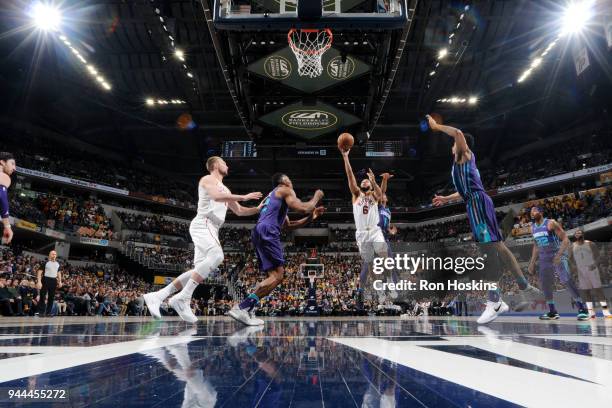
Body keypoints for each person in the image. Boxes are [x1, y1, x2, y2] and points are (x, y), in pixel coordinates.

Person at [426, 115, 540, 324]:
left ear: (461, 145)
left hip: (477, 204)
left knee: (488, 251)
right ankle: (523, 285)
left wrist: (436, 126)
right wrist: (446, 198)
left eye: (454, 144)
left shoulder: (463, 154)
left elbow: (458, 133)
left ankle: (495, 301)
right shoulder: (462, 165)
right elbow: (465, 191)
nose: (453, 146)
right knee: (498, 248)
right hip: (476, 202)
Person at [143, 156, 262, 323]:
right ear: (215, 165)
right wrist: (243, 196)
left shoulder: (226, 189)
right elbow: (215, 197)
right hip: (204, 222)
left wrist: (257, 209)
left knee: (199, 271)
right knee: (217, 256)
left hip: (212, 228)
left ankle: (158, 295)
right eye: (224, 162)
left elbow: (241, 211)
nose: (227, 165)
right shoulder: (208, 179)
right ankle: (183, 298)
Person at [229, 173, 324, 326]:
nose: (291, 182)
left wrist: (311, 217)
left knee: (274, 276)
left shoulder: (273, 197)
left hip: (259, 231)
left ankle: (246, 308)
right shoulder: (284, 189)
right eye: (289, 179)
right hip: (268, 231)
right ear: (284, 181)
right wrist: (317, 196)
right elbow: (303, 207)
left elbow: (289, 226)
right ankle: (242, 307)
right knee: (278, 276)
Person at [528, 206, 589, 320]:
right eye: (530, 212)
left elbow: (566, 239)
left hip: (556, 254)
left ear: (541, 212)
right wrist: (532, 262)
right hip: (544, 258)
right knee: (545, 284)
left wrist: (559, 255)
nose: (531, 213)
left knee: (565, 279)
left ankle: (582, 309)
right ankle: (552, 311)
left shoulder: (551, 223)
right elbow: (536, 245)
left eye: (534, 211)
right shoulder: (532, 228)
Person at [340, 148, 388, 291]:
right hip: (361, 233)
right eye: (364, 180)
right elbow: (350, 176)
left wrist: (374, 180)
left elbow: (380, 194)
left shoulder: (373, 195)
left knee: (384, 254)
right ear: (361, 186)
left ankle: (387, 278)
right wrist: (345, 157)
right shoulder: (356, 195)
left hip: (374, 230)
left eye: (367, 180)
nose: (366, 181)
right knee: (369, 262)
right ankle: (377, 285)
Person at [569, 229, 610, 319]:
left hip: (591, 268)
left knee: (598, 290)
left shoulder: (590, 243)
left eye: (579, 232)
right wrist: (574, 267)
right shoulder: (572, 246)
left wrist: (595, 264)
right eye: (576, 233)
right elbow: (570, 259)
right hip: (580, 271)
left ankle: (606, 311)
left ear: (583, 234)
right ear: (574, 236)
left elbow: (598, 256)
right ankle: (591, 313)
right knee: (585, 291)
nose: (577, 234)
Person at [37, 250, 63, 317]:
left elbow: (59, 273)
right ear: (49, 255)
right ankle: (41, 312)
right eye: (52, 254)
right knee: (42, 296)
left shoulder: (58, 264)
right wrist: (39, 282)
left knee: (51, 297)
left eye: (55, 254)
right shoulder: (45, 262)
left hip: (53, 280)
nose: (54, 255)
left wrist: (60, 281)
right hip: (45, 279)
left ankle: (48, 312)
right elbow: (39, 272)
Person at [0, 152, 16, 245]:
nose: (14, 168)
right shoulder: (4, 176)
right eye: (12, 163)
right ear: (2, 162)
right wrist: (7, 226)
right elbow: (2, 198)